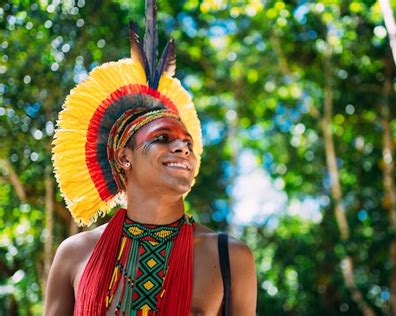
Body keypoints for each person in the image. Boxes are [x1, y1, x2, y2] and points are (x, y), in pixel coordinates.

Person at [44, 2, 257, 315]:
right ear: (123, 157)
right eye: (162, 139)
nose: (183, 148)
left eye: (187, 142)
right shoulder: (75, 254)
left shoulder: (229, 256)